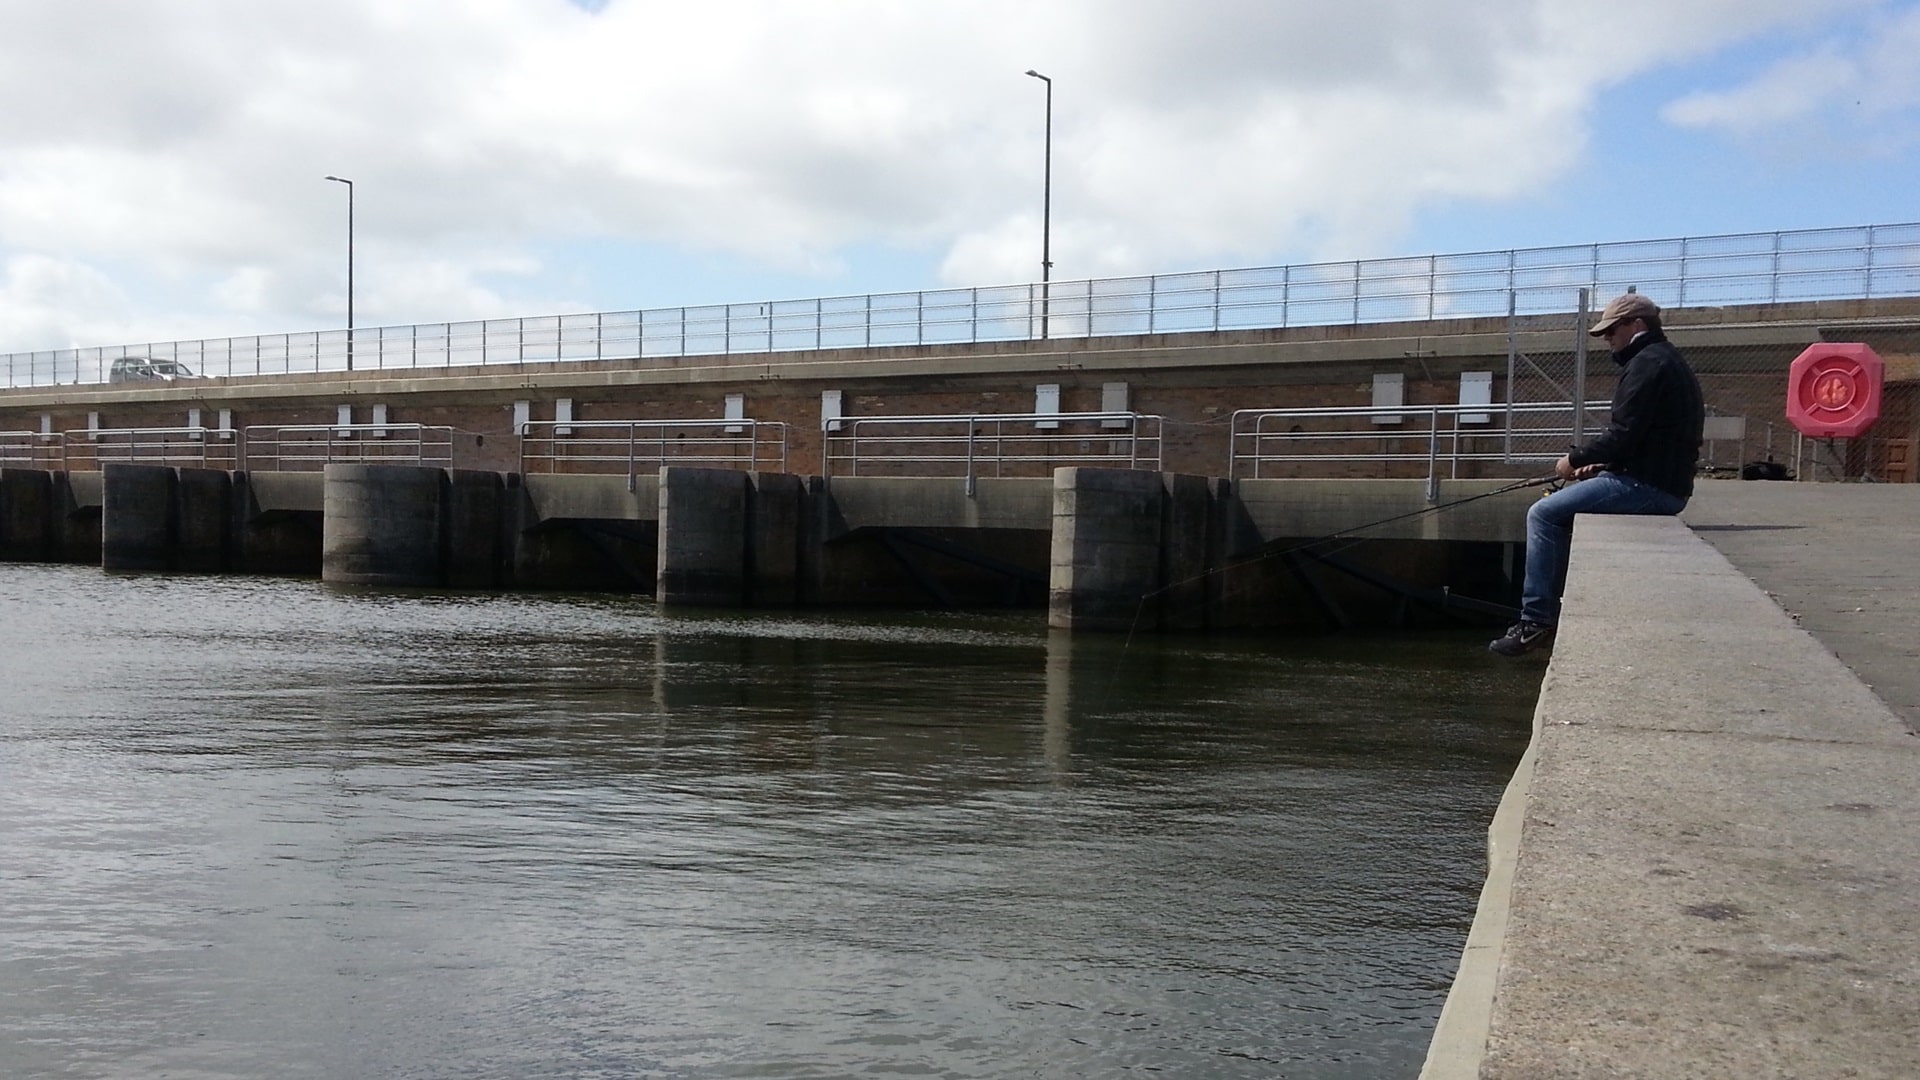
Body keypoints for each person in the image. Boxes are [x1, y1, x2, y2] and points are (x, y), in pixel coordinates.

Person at [1489, 292, 1705, 656]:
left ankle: (1535, 620)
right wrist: (1603, 465)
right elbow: (1648, 436)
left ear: (1636, 326)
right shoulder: (1665, 360)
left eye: (1611, 332)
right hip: (1661, 480)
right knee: (1558, 510)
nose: (1608, 340)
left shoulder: (1647, 364)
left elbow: (1622, 434)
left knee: (1542, 514)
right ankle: (1543, 612)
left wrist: (1573, 460)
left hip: (1649, 487)